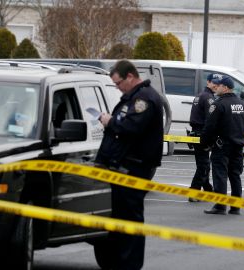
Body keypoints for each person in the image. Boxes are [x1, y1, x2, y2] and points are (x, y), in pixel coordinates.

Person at [95, 60, 164, 270]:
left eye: (118, 83)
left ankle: (130, 265)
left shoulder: (144, 99)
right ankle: (118, 262)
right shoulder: (134, 97)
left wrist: (110, 121)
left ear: (130, 77)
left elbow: (131, 127)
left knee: (130, 218)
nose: (117, 88)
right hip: (123, 165)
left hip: (135, 167)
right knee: (120, 216)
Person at [201, 76, 244, 215]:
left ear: (226, 88)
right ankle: (235, 207)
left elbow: (209, 127)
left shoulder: (218, 105)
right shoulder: (243, 105)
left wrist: (205, 143)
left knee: (220, 175)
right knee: (235, 175)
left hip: (222, 146)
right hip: (238, 146)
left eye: (219, 85)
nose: (216, 87)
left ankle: (220, 206)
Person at [188, 73, 220, 202]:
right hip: (202, 133)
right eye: (214, 83)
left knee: (204, 164)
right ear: (208, 82)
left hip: (196, 132)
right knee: (203, 166)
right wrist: (211, 137)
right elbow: (210, 120)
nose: (216, 85)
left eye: (218, 83)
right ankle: (194, 192)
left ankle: (208, 190)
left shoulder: (201, 95)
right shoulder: (208, 98)